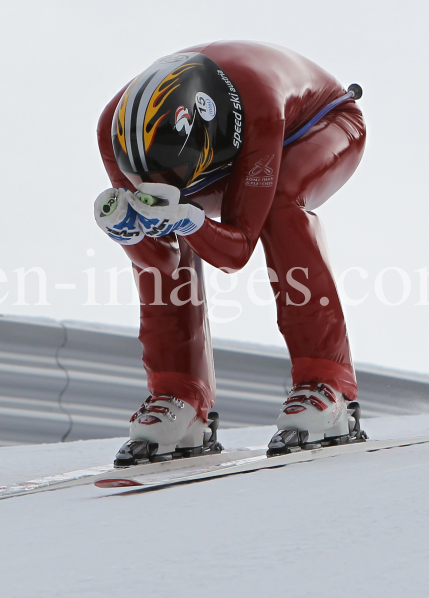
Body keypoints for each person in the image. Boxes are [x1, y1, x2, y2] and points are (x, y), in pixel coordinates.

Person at [94, 41, 367, 465]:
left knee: (280, 203)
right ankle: (180, 397)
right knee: (164, 226)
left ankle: (328, 384)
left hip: (318, 124)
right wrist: (131, 237)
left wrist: (190, 221)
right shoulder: (111, 130)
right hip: (223, 152)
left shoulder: (259, 105)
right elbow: (164, 259)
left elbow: (236, 251)